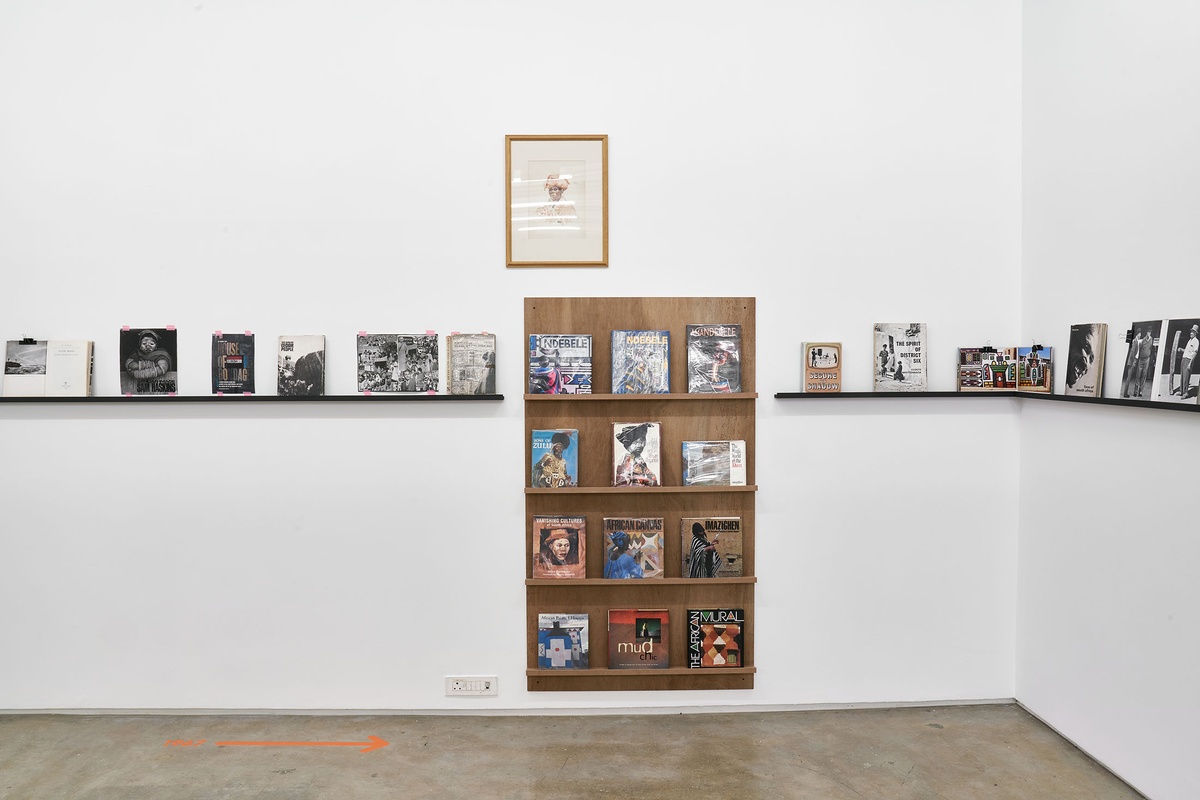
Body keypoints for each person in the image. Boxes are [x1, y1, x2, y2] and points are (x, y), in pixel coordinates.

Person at [1173, 324, 1198, 397]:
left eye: (1193, 332)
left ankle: (1186, 393)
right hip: (1184, 359)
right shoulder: (1189, 340)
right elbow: (1187, 351)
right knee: (1182, 376)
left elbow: (1194, 353)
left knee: (1186, 377)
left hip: (1188, 360)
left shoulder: (1196, 341)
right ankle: (1181, 391)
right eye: (1191, 331)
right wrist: (1181, 349)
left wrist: (1190, 363)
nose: (1191, 333)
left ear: (1195, 333)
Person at [1134, 327, 1155, 397]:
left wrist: (1152, 359)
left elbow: (1152, 350)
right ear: (1146, 333)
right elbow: (1138, 349)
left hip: (1147, 359)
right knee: (1138, 375)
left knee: (1144, 375)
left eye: (1150, 332)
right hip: (1141, 359)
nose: (1149, 333)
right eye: (1148, 332)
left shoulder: (1152, 340)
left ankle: (1140, 391)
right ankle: (1135, 391)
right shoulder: (1143, 340)